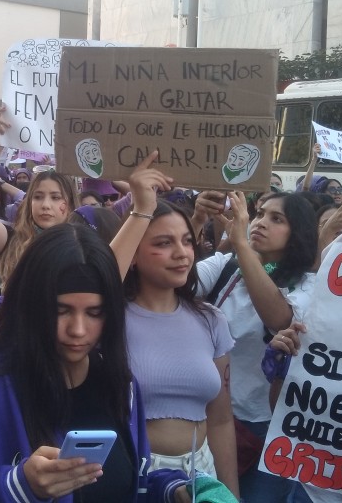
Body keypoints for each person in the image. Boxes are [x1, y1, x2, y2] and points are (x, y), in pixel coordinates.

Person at [0, 223, 192, 502]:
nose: (78, 330)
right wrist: (19, 488)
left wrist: (172, 490)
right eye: (62, 310)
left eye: (95, 312)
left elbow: (131, 484)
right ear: (31, 305)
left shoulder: (121, 384)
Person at [191, 190, 317, 503]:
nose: (261, 222)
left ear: (298, 233)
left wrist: (242, 243)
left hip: (264, 429)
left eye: (277, 219)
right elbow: (178, 282)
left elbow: (278, 318)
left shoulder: (309, 287)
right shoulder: (224, 267)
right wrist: (195, 221)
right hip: (208, 419)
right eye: (260, 214)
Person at [123, 200, 239, 497]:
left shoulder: (212, 319)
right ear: (133, 252)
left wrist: (231, 492)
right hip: (135, 473)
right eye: (164, 242)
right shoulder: (108, 321)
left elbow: (222, 419)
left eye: (187, 241)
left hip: (202, 472)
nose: (181, 253)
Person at [0, 108, 77, 294]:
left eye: (55, 197)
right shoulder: (12, 242)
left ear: (71, 205)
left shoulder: (82, 250)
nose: (45, 205)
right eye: (37, 196)